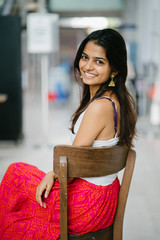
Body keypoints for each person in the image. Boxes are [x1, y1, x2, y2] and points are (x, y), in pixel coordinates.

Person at [0, 28, 137, 239]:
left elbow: (71, 171)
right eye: (85, 57)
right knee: (20, 177)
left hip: (87, 206)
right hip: (104, 198)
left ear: (114, 70)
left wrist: (52, 173)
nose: (88, 66)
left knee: (15, 174)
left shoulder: (100, 107)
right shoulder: (117, 101)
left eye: (99, 61)